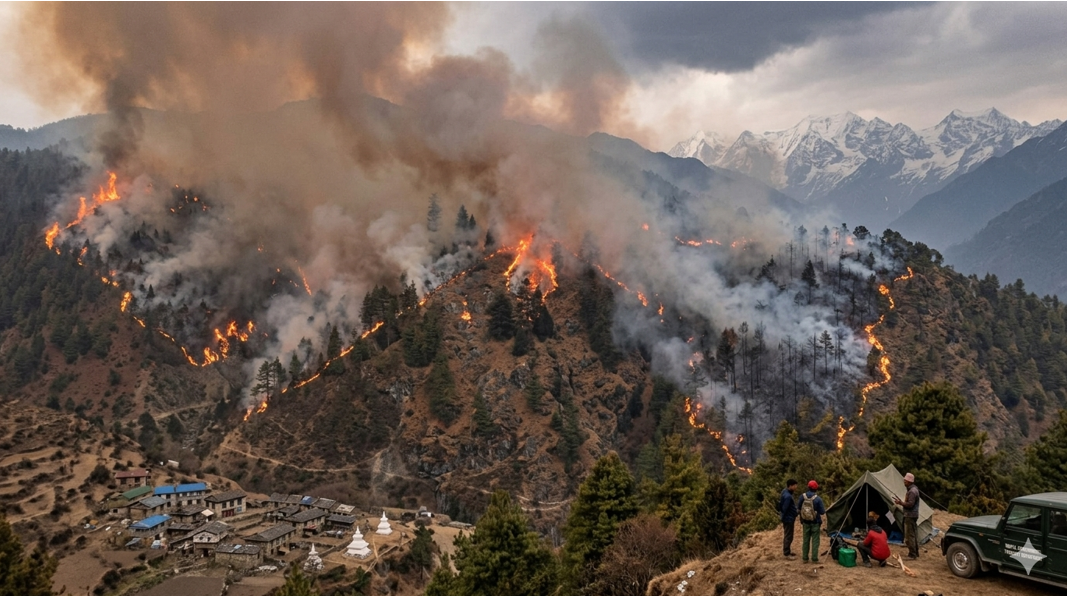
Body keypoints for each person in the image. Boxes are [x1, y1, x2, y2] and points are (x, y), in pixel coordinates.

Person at [893, 472, 920, 558]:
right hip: (912, 515)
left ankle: (912, 554)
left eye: (905, 480)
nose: (904, 481)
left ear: (909, 481)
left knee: (909, 536)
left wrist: (900, 503)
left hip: (910, 515)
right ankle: (915, 552)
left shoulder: (912, 491)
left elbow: (910, 504)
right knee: (913, 534)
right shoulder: (913, 489)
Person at [799, 480, 826, 563]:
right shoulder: (818, 499)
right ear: (816, 488)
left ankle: (805, 558)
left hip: (805, 522)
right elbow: (822, 512)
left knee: (805, 540)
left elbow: (798, 508)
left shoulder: (802, 497)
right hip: (815, 522)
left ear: (808, 487)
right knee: (815, 541)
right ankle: (814, 559)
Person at [779, 479, 798, 557]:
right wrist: (783, 517)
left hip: (788, 517)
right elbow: (784, 508)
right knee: (788, 536)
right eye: (795, 485)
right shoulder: (788, 496)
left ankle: (788, 551)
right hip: (788, 518)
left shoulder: (785, 492)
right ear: (790, 486)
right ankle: (786, 553)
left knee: (788, 535)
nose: (796, 487)